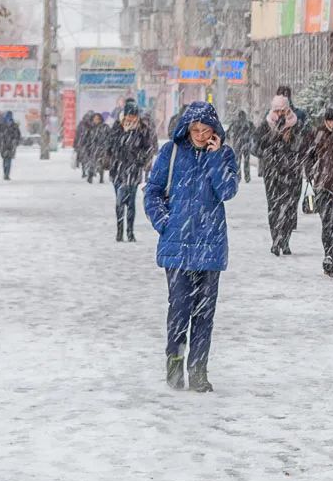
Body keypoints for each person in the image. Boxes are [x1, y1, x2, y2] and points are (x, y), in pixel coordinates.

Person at [143, 102, 239, 393]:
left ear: (214, 130)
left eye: (205, 130)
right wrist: (165, 223)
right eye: (195, 130)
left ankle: (198, 370)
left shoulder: (224, 154)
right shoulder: (170, 153)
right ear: (187, 129)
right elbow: (152, 192)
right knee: (179, 309)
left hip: (210, 246)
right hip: (178, 246)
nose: (199, 135)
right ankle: (174, 362)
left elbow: (228, 191)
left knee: (204, 314)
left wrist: (214, 158)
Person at [256, 95, 309, 256]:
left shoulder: (297, 125)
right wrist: (272, 137)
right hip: (272, 173)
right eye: (277, 110)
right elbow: (256, 147)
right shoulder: (266, 125)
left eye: (283, 110)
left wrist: (291, 140)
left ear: (288, 109)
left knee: (289, 208)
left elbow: (305, 148)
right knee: (274, 207)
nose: (280, 114)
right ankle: (275, 241)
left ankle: (285, 241)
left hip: (292, 173)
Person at [306, 105, 333, 277]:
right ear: (326, 121)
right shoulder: (318, 134)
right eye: (331, 120)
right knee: (327, 222)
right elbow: (308, 156)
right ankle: (329, 256)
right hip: (322, 185)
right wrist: (311, 173)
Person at [106, 101, 154, 242]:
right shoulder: (116, 128)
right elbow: (109, 147)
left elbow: (147, 148)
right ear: (124, 115)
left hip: (133, 170)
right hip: (118, 170)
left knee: (131, 202)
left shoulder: (142, 130)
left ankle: (130, 232)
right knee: (120, 201)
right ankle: (120, 231)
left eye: (134, 116)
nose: (131, 119)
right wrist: (123, 137)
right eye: (129, 116)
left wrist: (141, 160)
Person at [227, 109, 255, 183]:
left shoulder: (235, 123)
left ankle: (238, 177)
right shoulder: (249, 123)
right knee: (246, 161)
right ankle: (247, 177)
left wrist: (230, 139)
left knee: (237, 162)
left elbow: (228, 133)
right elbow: (254, 132)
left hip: (237, 145)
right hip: (246, 144)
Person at [83, 113, 110, 184]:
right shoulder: (90, 128)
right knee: (91, 163)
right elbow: (86, 138)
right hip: (92, 148)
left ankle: (101, 177)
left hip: (102, 148)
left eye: (98, 119)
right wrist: (86, 146)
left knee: (101, 163)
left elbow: (109, 136)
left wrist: (107, 146)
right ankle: (90, 176)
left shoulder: (105, 127)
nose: (96, 120)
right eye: (95, 119)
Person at [0, 111, 21, 180]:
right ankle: (6, 173)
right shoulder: (3, 125)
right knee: (5, 159)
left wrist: (16, 141)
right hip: (5, 145)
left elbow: (18, 135)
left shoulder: (12, 126)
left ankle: (6, 174)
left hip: (9, 145)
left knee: (8, 159)